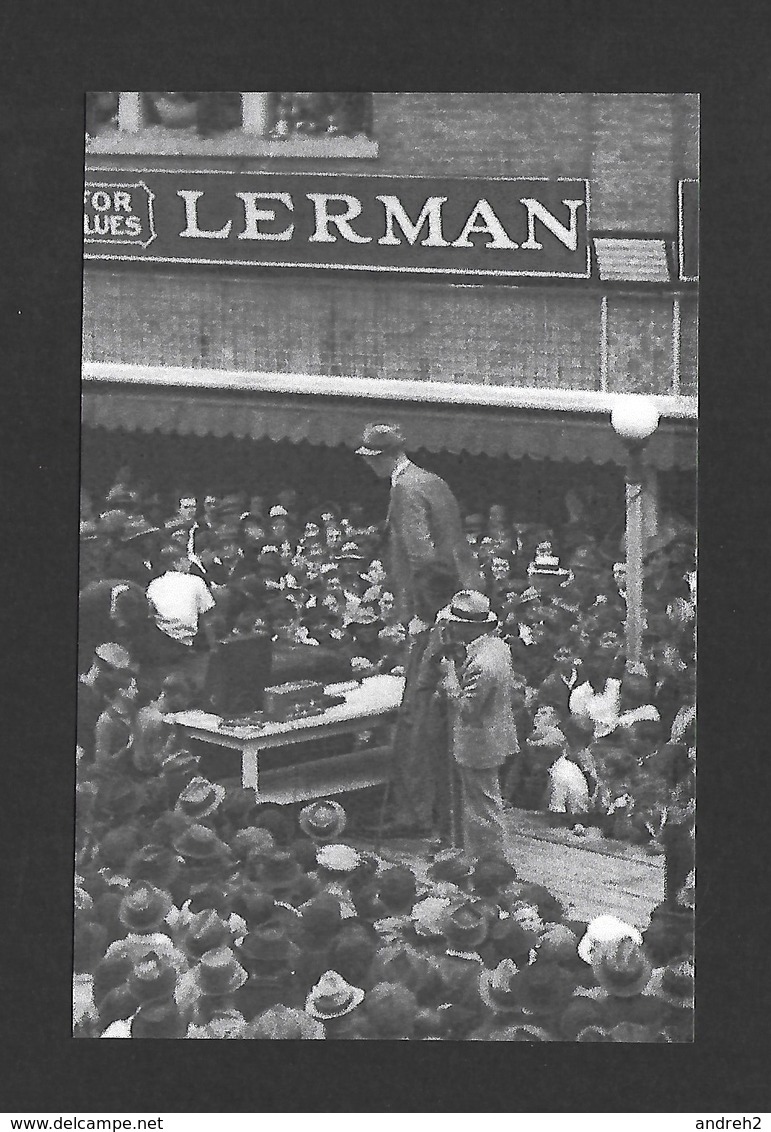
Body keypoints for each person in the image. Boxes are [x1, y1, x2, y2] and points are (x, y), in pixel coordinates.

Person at [355, 423, 484, 837]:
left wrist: (423, 617)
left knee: (417, 715)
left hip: (435, 613)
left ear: (380, 457)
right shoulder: (433, 480)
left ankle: (415, 814)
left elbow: (422, 558)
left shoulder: (405, 489)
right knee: (440, 714)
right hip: (463, 607)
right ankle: (440, 810)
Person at [437, 591, 517, 861]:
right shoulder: (497, 646)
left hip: (479, 740)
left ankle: (493, 862)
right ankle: (479, 855)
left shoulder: (482, 664)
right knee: (482, 802)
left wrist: (449, 676)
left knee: (483, 807)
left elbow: (468, 710)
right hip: (494, 734)